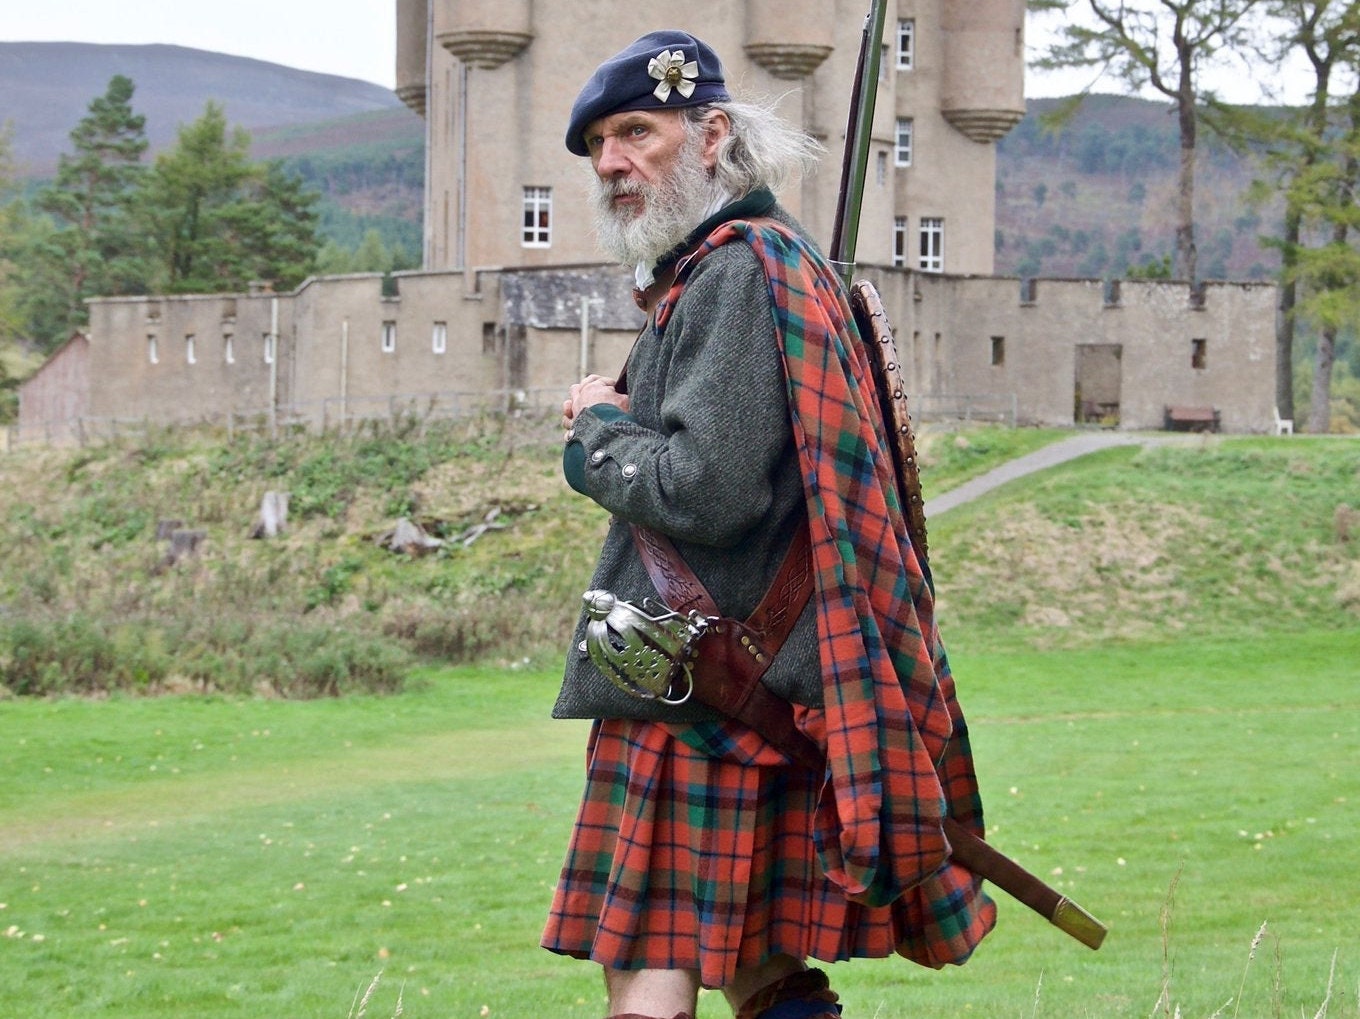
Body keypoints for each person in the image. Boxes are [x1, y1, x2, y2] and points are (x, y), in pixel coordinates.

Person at [544, 29, 996, 1019]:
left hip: (699, 682)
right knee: (762, 968)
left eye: (635, 132)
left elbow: (705, 490)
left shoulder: (741, 271)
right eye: (595, 148)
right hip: (726, 674)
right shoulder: (725, 266)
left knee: (647, 971)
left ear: (710, 136)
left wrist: (597, 432)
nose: (611, 162)